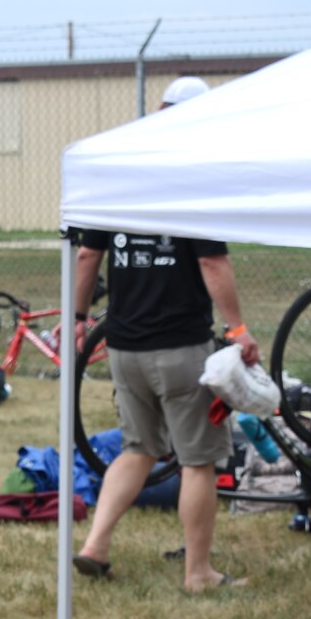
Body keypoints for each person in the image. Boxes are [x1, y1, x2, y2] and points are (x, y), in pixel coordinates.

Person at [69, 226, 258, 593]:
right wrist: (238, 328)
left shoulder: (112, 184)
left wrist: (78, 316)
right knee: (198, 460)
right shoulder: (190, 184)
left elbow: (87, 255)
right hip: (181, 347)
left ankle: (96, 546)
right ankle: (198, 573)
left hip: (123, 347)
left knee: (137, 448)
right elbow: (211, 261)